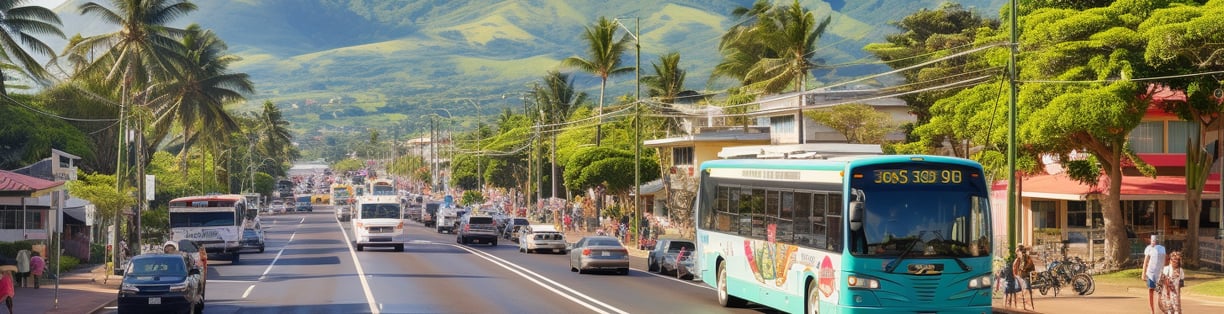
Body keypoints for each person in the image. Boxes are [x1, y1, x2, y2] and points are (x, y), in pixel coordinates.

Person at [1142, 234, 1167, 314]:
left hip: (1159, 274)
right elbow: (1145, 262)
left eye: (1154, 241)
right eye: (1152, 241)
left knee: (1159, 292)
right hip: (1150, 273)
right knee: (1151, 290)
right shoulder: (1148, 248)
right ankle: (1152, 311)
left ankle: (1161, 308)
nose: (1153, 242)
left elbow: (1163, 261)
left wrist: (1163, 272)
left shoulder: (1162, 249)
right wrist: (1143, 273)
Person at [1012, 245, 1035, 311]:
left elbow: (1024, 267)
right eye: (1016, 252)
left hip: (1024, 276)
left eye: (1017, 251)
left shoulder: (1026, 257)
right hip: (1019, 277)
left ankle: (1027, 306)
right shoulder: (1019, 258)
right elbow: (1016, 268)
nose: (1017, 253)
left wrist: (1021, 270)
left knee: (1026, 291)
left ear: (1021, 251)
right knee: (1020, 292)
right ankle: (1023, 306)